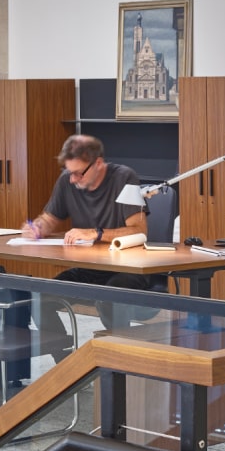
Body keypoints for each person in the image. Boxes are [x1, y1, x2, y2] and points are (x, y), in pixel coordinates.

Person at [23, 134, 155, 344]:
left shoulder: (124, 178)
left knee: (111, 297)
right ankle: (66, 364)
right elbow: (49, 217)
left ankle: (116, 366)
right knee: (41, 300)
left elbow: (139, 231)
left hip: (128, 268)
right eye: (69, 172)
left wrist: (96, 233)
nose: (73, 179)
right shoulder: (68, 180)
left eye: (78, 174)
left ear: (98, 164)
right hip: (89, 267)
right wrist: (37, 227)